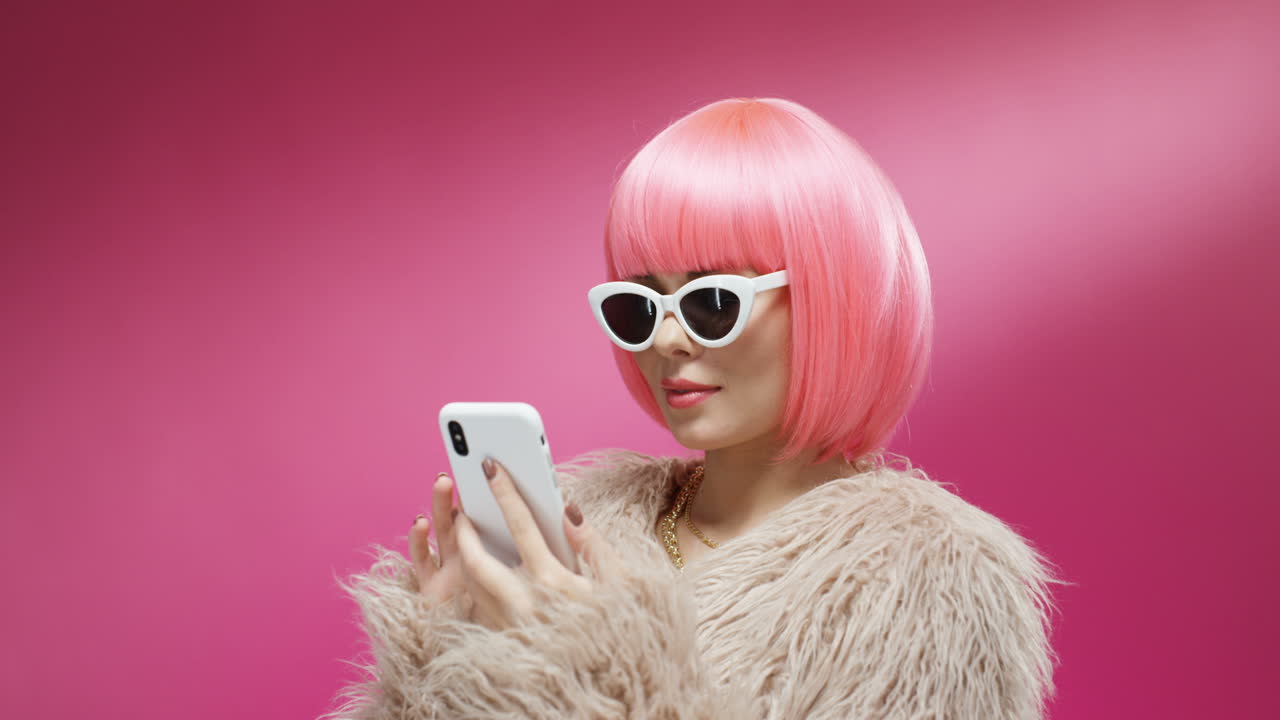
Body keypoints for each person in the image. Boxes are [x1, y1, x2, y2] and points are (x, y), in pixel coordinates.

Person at [321, 97, 1067, 719]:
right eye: (638, 305)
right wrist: (438, 661)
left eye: (713, 302)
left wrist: (601, 679)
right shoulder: (585, 522)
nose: (667, 339)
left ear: (833, 303)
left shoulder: (933, 582)